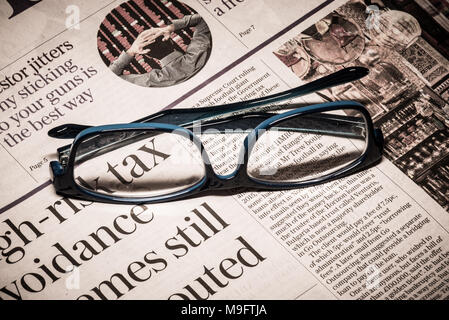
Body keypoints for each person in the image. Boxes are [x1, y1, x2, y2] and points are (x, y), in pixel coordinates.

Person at [109, 14, 211, 87]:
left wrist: (131, 51)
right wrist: (170, 27)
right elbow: (203, 19)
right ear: (170, 40)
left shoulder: (153, 81)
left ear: (148, 56)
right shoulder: (199, 50)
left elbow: (111, 78)